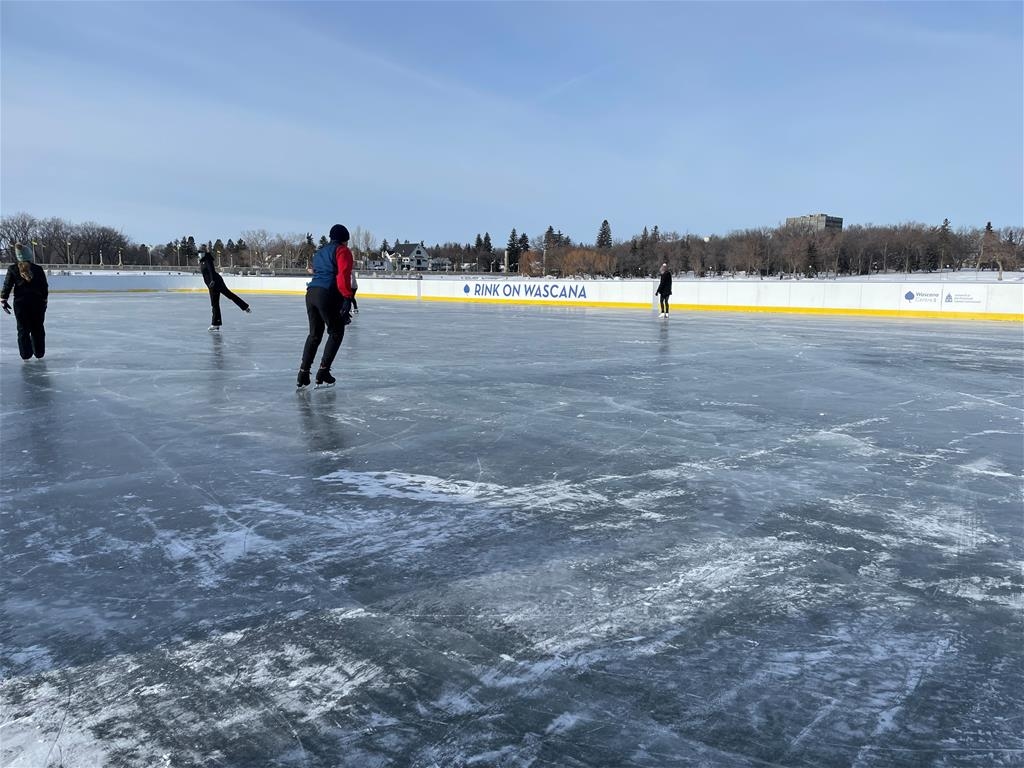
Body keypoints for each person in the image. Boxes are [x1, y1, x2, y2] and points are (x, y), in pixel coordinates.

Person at [297, 224, 354, 388]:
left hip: (311, 293)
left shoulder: (320, 252)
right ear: (345, 239)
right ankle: (323, 371)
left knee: (314, 334)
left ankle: (303, 373)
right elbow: (343, 276)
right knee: (336, 331)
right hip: (327, 293)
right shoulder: (342, 251)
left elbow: (316, 271)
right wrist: (347, 297)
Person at [2, 243, 49, 360]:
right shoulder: (37, 269)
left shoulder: (12, 269)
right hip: (37, 304)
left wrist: (3, 299)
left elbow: (7, 285)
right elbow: (44, 287)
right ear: (29, 255)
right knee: (37, 328)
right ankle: (39, 353)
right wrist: (44, 301)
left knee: (23, 329)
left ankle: (25, 354)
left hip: (20, 304)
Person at [199, 251, 250, 331]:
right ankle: (245, 307)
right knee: (218, 301)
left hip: (215, 283)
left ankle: (216, 323)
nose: (199, 254)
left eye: (201, 252)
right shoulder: (202, 261)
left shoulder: (207, 259)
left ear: (204, 253)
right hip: (213, 284)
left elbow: (211, 270)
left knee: (217, 302)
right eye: (198, 253)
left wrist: (212, 281)